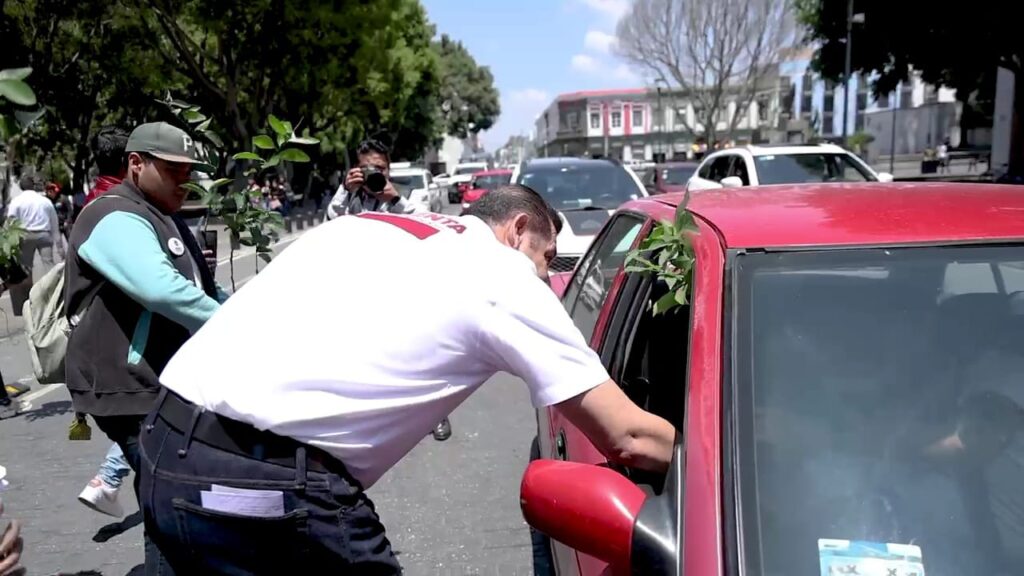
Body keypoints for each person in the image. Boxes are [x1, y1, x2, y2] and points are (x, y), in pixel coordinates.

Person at [139, 184, 677, 574]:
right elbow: (628, 435)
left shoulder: (370, 225)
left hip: (163, 443)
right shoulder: (503, 275)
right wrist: (737, 459)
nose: (547, 277)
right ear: (517, 232)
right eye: (547, 258)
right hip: (263, 489)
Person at [64, 121, 227, 570]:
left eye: (189, 171)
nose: (185, 180)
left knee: (171, 501)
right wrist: (232, 323)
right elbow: (161, 289)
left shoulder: (159, 214)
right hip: (128, 385)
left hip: (158, 383)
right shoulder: (113, 213)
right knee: (174, 503)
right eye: (174, 170)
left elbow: (199, 288)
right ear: (137, 164)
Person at [324, 138, 450, 441]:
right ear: (357, 169)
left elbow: (429, 225)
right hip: (362, 288)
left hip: (400, 286)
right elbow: (329, 223)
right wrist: (345, 189)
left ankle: (436, 413)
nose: (374, 174)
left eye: (380, 168)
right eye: (368, 169)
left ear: (388, 169)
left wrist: (395, 199)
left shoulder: (402, 199)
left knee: (420, 353)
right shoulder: (349, 200)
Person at [6, 174, 63, 315]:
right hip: (44, 234)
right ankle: (55, 298)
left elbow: (11, 220)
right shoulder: (44, 201)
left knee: (25, 270)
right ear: (32, 186)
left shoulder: (17, 201)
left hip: (25, 236)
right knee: (49, 267)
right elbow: (54, 222)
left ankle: (26, 304)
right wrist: (59, 245)